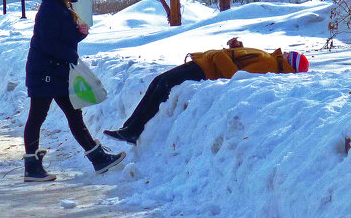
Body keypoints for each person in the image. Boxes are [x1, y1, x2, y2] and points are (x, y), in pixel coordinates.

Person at [23, 0, 125, 181]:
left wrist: (79, 34)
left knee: (73, 115)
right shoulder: (52, 9)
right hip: (45, 73)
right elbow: (48, 44)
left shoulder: (60, 6)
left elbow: (61, 39)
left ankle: (97, 158)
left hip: (54, 72)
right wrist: (72, 55)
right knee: (38, 116)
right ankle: (32, 166)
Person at [103, 38, 310, 145]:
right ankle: (129, 128)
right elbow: (242, 64)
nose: (289, 52)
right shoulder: (270, 60)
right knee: (160, 81)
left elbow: (236, 77)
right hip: (205, 63)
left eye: (292, 55)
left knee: (163, 84)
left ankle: (132, 131)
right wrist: (236, 48)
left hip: (206, 68)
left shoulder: (269, 64)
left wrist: (219, 56)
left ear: (290, 64)